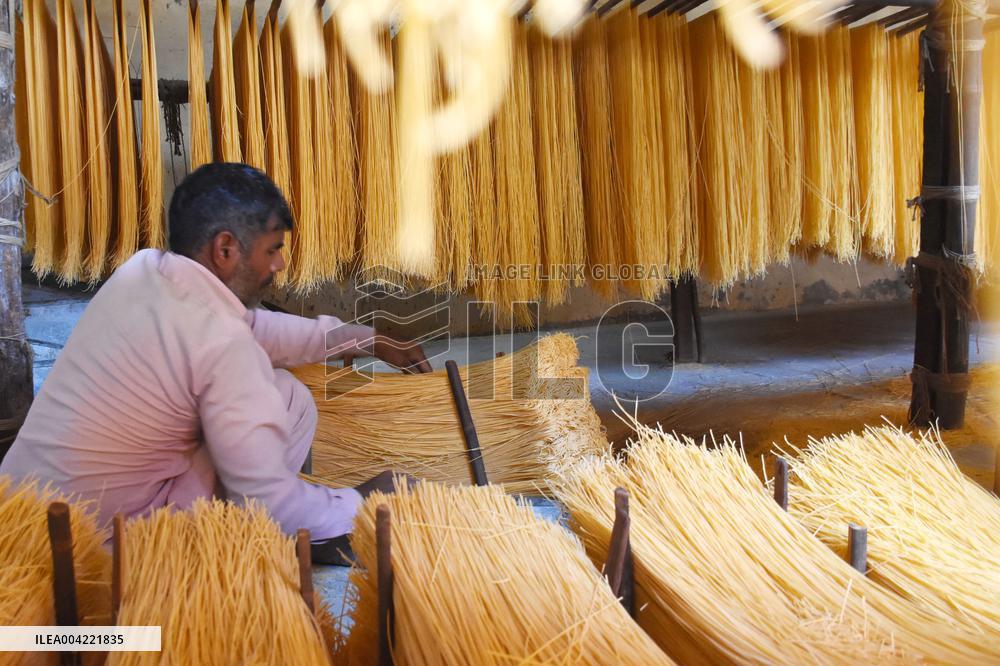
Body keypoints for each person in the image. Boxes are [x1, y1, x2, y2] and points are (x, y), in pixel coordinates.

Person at [1, 163, 430, 564]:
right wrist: (361, 502)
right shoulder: (223, 345)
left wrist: (367, 340)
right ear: (225, 248)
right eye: (272, 250)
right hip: (99, 557)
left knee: (289, 395)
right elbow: (267, 498)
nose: (279, 264)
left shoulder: (143, 271)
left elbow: (253, 328)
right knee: (281, 401)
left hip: (17, 519)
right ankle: (256, 544)